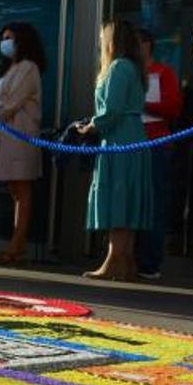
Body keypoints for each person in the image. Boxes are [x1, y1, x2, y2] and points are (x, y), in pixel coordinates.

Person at [79, 20, 154, 281]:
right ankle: (125, 258)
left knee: (117, 197)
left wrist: (91, 126)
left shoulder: (119, 67)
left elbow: (112, 109)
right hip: (132, 136)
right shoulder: (133, 67)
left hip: (119, 139)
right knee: (128, 197)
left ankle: (114, 260)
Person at [0, 22, 45, 266]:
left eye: (9, 37)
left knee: (22, 189)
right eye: (3, 37)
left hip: (20, 135)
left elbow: (13, 103)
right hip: (5, 136)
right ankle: (16, 242)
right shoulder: (12, 68)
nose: (5, 42)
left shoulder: (28, 68)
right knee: (14, 189)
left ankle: (16, 245)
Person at [135, 28, 183, 280]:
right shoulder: (126, 72)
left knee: (154, 203)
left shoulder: (164, 73)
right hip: (130, 143)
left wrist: (140, 103)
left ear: (148, 44)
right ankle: (126, 258)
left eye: (138, 41)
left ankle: (149, 263)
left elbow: (174, 107)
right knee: (132, 202)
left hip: (156, 145)